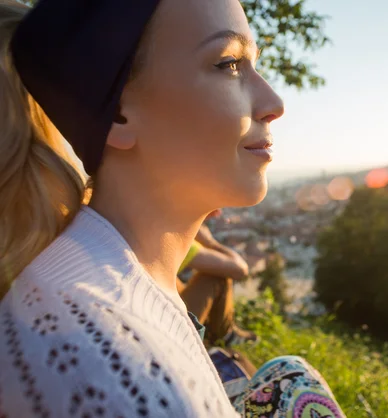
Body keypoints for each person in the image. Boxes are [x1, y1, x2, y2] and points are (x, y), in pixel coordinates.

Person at [0, 0, 345, 417]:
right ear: (120, 115)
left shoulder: (102, 272)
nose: (274, 101)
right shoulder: (126, 385)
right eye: (228, 63)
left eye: (254, 63)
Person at [177, 210, 258, 346]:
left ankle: (215, 329)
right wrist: (209, 241)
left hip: (152, 313)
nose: (217, 213)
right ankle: (225, 334)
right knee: (216, 277)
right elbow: (239, 269)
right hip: (172, 327)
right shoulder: (176, 239)